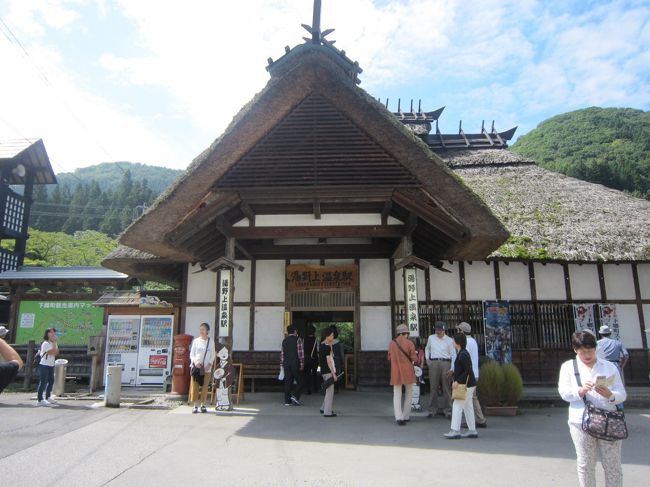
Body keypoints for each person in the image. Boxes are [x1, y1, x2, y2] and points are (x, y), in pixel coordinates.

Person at [558, 330, 626, 487]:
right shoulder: (568, 367)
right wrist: (580, 391)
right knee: (586, 464)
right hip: (580, 421)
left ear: (595, 348)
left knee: (612, 464)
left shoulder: (609, 367)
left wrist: (610, 395)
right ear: (575, 350)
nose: (587, 355)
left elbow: (622, 394)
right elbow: (564, 393)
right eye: (582, 352)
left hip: (610, 420)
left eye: (590, 351)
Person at [444, 332, 478, 439]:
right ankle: (472, 430)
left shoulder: (462, 354)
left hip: (465, 384)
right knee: (468, 406)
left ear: (457, 343)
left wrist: (457, 381)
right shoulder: (463, 352)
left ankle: (455, 430)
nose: (452, 342)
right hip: (470, 384)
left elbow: (467, 370)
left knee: (457, 405)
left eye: (453, 340)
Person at [456, 322, 487, 428]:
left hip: (468, 374)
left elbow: (464, 359)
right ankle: (476, 419)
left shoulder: (466, 343)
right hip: (474, 373)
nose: (457, 332)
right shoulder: (473, 341)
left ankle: (479, 419)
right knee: (471, 398)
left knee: (468, 398)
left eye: (458, 330)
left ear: (462, 331)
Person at [425, 321, 456, 418]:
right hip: (434, 362)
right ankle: (432, 409)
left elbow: (453, 354)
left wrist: (452, 368)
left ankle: (448, 410)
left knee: (446, 387)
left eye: (441, 330)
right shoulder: (431, 338)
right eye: (437, 330)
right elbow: (427, 348)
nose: (439, 332)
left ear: (444, 330)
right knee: (433, 387)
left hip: (446, 362)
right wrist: (427, 359)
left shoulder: (450, 340)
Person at [388, 324, 417, 426]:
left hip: (396, 371)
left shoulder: (392, 343)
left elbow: (389, 357)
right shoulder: (409, 343)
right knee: (409, 393)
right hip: (407, 371)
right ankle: (406, 415)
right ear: (406, 333)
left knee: (397, 394)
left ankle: (398, 417)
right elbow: (414, 358)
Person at [189, 323, 215, 413]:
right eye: (200, 329)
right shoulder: (196, 341)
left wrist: (210, 364)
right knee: (195, 386)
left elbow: (212, 355)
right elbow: (192, 354)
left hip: (206, 368)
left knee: (205, 386)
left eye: (203, 329)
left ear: (207, 331)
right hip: (196, 367)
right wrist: (195, 362)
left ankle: (203, 404)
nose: (201, 331)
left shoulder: (211, 342)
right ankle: (195, 405)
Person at [319, 327, 341, 417]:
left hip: (323, 371)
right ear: (327, 336)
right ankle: (327, 412)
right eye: (332, 335)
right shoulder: (327, 348)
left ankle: (323, 408)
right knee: (330, 392)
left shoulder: (322, 345)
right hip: (328, 371)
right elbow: (329, 362)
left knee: (328, 390)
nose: (333, 336)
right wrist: (333, 374)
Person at [280, 324, 304, 406]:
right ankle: (295, 395)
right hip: (295, 363)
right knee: (300, 381)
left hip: (286, 364)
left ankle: (287, 401)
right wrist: (302, 363)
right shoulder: (298, 340)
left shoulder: (284, 340)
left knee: (288, 382)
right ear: (295, 331)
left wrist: (282, 364)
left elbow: (282, 354)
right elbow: (300, 353)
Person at [37, 327, 59, 406]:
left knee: (51, 381)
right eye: (51, 332)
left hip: (51, 364)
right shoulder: (45, 343)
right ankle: (40, 400)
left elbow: (56, 353)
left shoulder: (52, 343)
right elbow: (52, 352)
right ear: (47, 334)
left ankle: (48, 397)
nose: (53, 334)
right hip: (44, 365)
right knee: (43, 382)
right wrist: (54, 343)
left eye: (54, 332)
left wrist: (54, 342)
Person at [303, 324, 319, 394]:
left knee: (307, 374)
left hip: (306, 359)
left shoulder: (304, 340)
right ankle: (315, 388)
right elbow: (318, 349)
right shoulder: (315, 340)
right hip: (314, 358)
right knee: (314, 374)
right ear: (314, 332)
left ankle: (308, 389)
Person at [410, 338, 425, 412]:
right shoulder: (411, 351)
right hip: (413, 370)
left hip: (417, 371)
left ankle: (416, 402)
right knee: (412, 387)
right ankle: (412, 403)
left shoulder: (420, 351)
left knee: (416, 387)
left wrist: (420, 370)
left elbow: (422, 362)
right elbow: (422, 361)